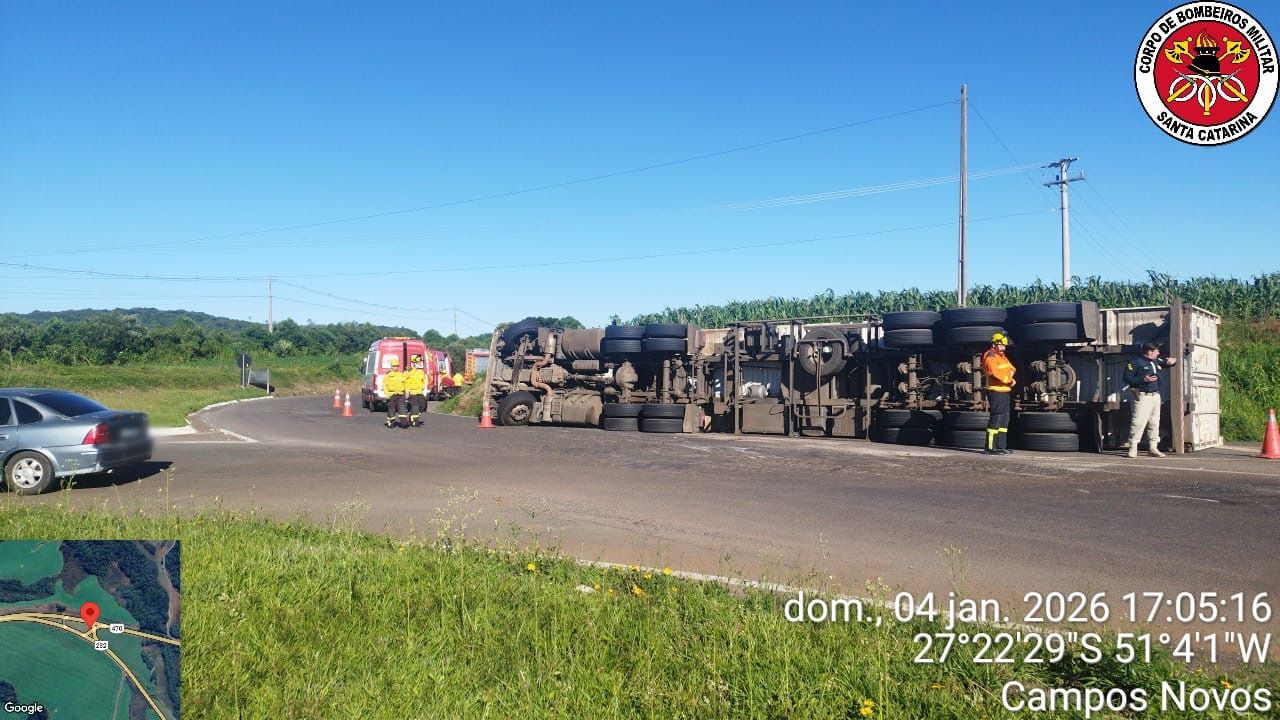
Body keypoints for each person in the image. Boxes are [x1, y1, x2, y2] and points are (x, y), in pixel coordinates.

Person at [1122, 342, 1179, 458]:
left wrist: (1173, 361)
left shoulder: (1155, 361)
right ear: (1149, 351)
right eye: (1156, 351)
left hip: (1155, 396)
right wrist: (1143, 379)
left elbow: (1165, 363)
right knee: (1138, 422)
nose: (1158, 353)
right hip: (1142, 395)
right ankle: (1133, 447)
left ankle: (1153, 447)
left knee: (1154, 422)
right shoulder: (1135, 362)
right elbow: (1127, 378)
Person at [982, 332, 1016, 455]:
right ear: (994, 344)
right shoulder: (990, 356)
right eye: (1001, 345)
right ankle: (990, 447)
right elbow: (994, 373)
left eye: (1004, 346)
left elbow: (1012, 368)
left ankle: (1001, 446)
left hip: (1005, 391)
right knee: (996, 418)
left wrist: (1010, 376)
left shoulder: (1002, 357)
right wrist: (1010, 380)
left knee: (1004, 419)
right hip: (995, 391)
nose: (1004, 348)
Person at [383, 356, 407, 428]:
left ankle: (404, 423)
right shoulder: (388, 375)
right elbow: (385, 385)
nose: (395, 367)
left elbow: (405, 384)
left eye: (396, 366)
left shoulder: (401, 374)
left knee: (402, 409)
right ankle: (390, 422)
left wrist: (407, 392)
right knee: (391, 409)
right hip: (392, 395)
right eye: (394, 366)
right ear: (391, 366)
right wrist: (386, 394)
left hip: (401, 394)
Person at [405, 354, 427, 427]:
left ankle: (412, 417)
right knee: (415, 406)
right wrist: (407, 392)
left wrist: (424, 388)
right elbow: (406, 383)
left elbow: (424, 381)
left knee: (422, 405)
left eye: (420, 362)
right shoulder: (409, 372)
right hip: (412, 392)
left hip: (419, 392)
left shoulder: (421, 372)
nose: (420, 363)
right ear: (414, 363)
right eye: (418, 362)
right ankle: (414, 421)